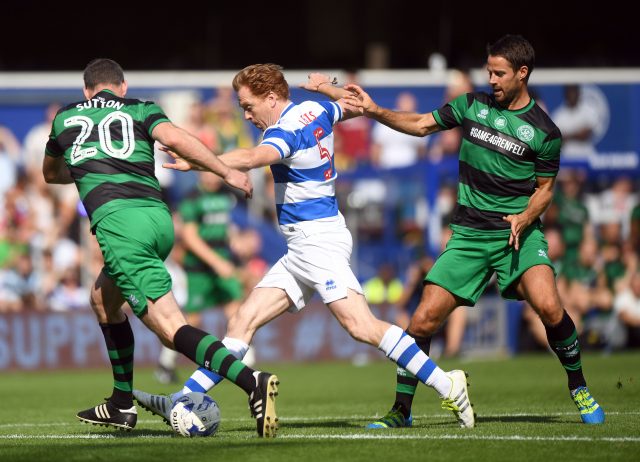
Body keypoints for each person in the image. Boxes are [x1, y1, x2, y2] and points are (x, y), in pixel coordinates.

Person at [133, 63, 475, 430]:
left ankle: (446, 383)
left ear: (271, 97)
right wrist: (327, 87)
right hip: (307, 244)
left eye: (248, 106)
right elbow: (352, 104)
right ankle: (181, 399)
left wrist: (203, 162)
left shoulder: (286, 131)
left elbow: (250, 158)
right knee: (242, 321)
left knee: (361, 326)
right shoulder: (316, 109)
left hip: (317, 243)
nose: (246, 115)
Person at [338, 35, 604, 425]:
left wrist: (525, 218)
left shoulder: (545, 132)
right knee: (422, 320)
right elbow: (421, 124)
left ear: (522, 73)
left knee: (549, 307)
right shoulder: (471, 105)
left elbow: (545, 191)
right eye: (489, 71)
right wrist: (373, 110)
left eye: (500, 73)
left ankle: (579, 387)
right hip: (469, 235)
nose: (491, 79)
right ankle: (401, 411)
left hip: (518, 235)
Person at [43, 58, 280, 437]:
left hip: (120, 224)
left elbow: (51, 174)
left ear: (87, 90)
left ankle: (253, 382)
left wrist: (86, 164)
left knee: (171, 328)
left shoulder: (65, 118)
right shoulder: (141, 107)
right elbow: (174, 138)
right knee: (103, 299)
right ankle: (122, 404)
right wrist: (225, 170)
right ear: (121, 86)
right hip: (158, 219)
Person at [154, 171, 247, 384]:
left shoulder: (225, 195)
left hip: (223, 261)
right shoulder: (192, 198)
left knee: (235, 308)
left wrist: (236, 240)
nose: (210, 176)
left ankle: (245, 363)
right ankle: (165, 363)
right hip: (199, 267)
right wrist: (216, 262)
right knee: (192, 319)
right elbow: (190, 237)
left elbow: (225, 228)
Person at [551, 84, 599, 161]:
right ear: (566, 95)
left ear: (579, 93)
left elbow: (585, 136)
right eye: (570, 93)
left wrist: (567, 136)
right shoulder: (558, 115)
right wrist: (577, 133)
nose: (572, 96)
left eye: (574, 92)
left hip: (586, 156)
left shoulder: (588, 110)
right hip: (567, 158)